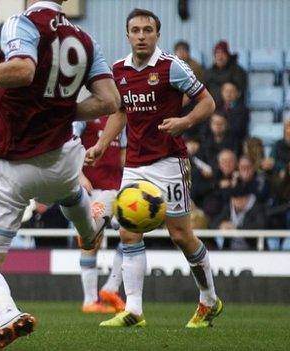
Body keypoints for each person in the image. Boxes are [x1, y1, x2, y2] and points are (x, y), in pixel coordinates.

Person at [0, 1, 120, 348]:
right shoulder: (85, 38)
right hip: (63, 159)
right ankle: (89, 232)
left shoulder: (22, 22)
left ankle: (8, 316)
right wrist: (61, 110)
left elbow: (22, 71)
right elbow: (110, 100)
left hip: (12, 163)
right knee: (68, 192)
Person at [85, 9, 222, 328]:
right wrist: (103, 144)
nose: (142, 35)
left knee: (181, 236)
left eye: (148, 29)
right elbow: (120, 112)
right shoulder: (118, 71)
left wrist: (185, 121)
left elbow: (208, 103)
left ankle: (209, 298)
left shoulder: (171, 67)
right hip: (134, 163)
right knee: (128, 232)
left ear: (157, 34)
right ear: (128, 34)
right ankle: (134, 309)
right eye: (136, 30)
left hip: (170, 162)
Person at [72, 117, 126, 314]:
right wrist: (79, 176)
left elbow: (123, 157)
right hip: (92, 188)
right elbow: (69, 144)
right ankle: (90, 300)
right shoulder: (85, 116)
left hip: (116, 189)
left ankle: (111, 288)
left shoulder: (121, 118)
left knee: (132, 233)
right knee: (92, 240)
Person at [210, 184, 267, 250]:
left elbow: (260, 225)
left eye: (240, 200)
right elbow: (213, 223)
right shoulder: (229, 208)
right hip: (230, 249)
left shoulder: (257, 208)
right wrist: (221, 225)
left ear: (246, 199)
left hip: (252, 250)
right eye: (234, 200)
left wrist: (236, 227)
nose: (237, 203)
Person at [203, 40, 247, 106]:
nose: (220, 57)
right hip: (213, 107)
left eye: (222, 53)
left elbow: (238, 90)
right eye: (217, 53)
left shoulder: (237, 70)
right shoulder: (209, 72)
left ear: (227, 55)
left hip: (232, 108)